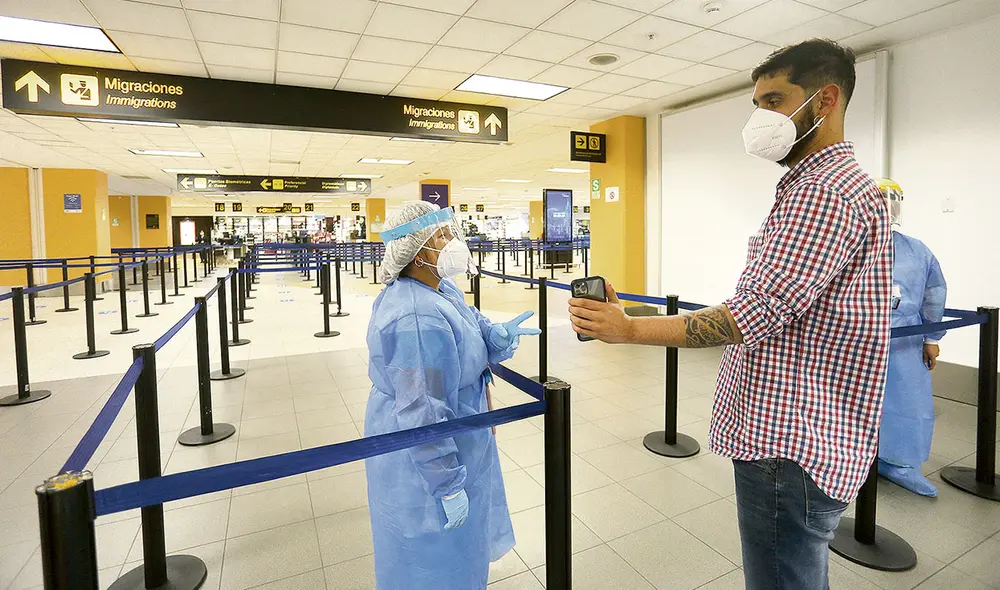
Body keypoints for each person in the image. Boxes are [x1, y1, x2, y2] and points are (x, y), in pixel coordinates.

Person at [567, 39, 893, 590]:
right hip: (808, 435)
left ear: (826, 98)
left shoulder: (823, 192)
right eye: (757, 104)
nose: (760, 117)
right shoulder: (834, 188)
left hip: (791, 442)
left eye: (774, 100)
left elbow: (748, 315)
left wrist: (628, 329)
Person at [364, 201, 540, 589]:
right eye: (440, 236)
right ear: (414, 251)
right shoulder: (414, 318)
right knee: (431, 558)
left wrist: (493, 336)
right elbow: (421, 411)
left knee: (462, 552)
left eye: (449, 232)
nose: (451, 241)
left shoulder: (438, 287)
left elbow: (469, 323)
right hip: (425, 460)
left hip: (462, 431)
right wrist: (446, 484)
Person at [877, 178, 947, 497]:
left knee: (906, 400)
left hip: (905, 343)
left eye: (893, 201)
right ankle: (844, 456)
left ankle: (900, 463)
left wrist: (931, 337)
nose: (887, 208)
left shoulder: (916, 250)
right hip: (855, 342)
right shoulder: (846, 247)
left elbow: (934, 293)